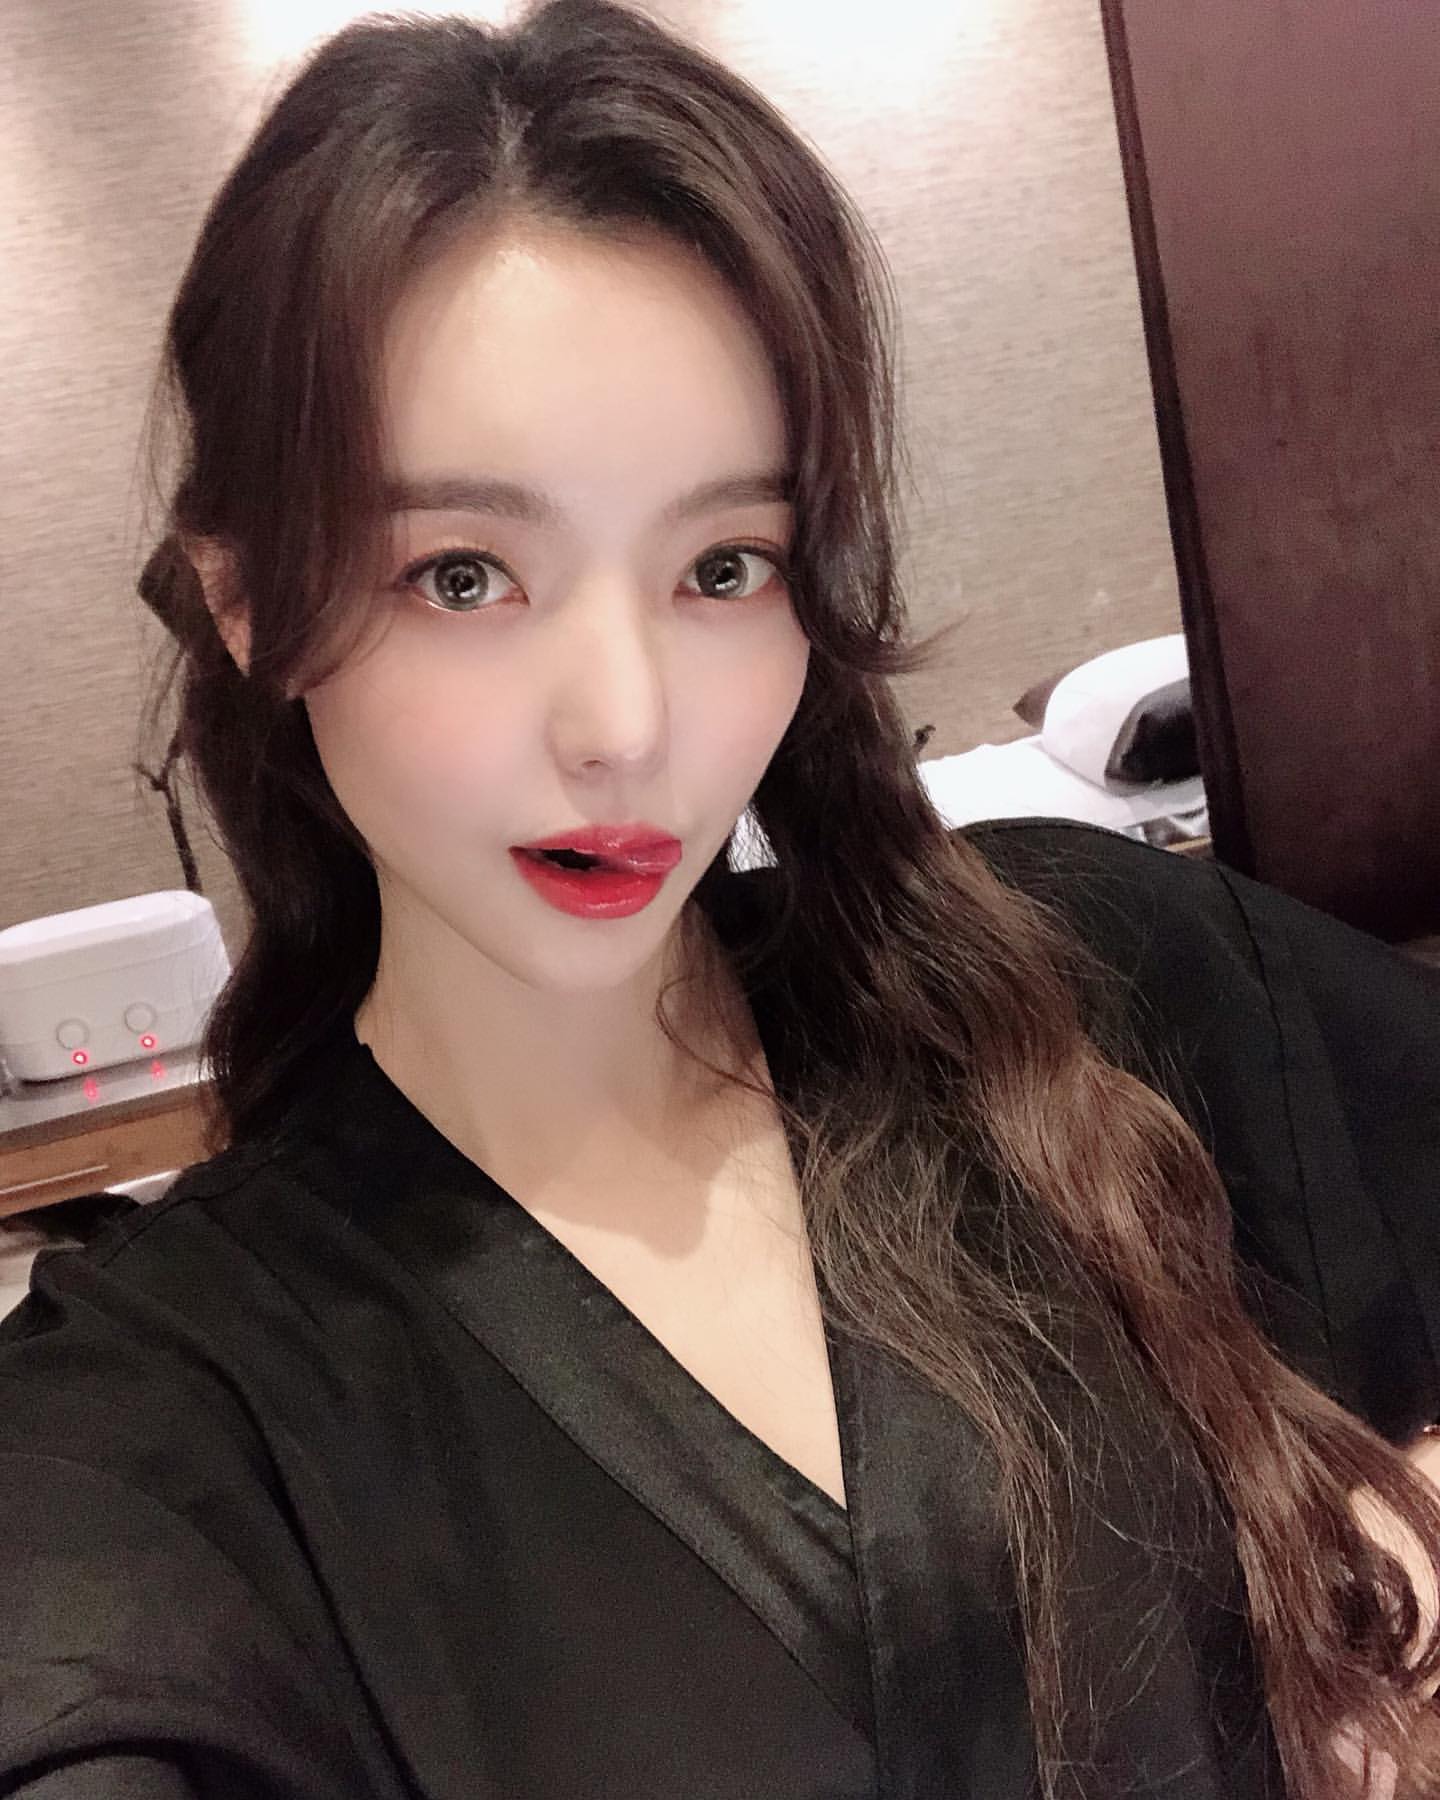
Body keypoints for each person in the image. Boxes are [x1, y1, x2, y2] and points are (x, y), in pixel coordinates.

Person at [3, 3, 1439, 1794]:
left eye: (724, 565)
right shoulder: (177, 1409)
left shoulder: (1103, 973)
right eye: (464, 575)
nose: (627, 728)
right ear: (243, 601)